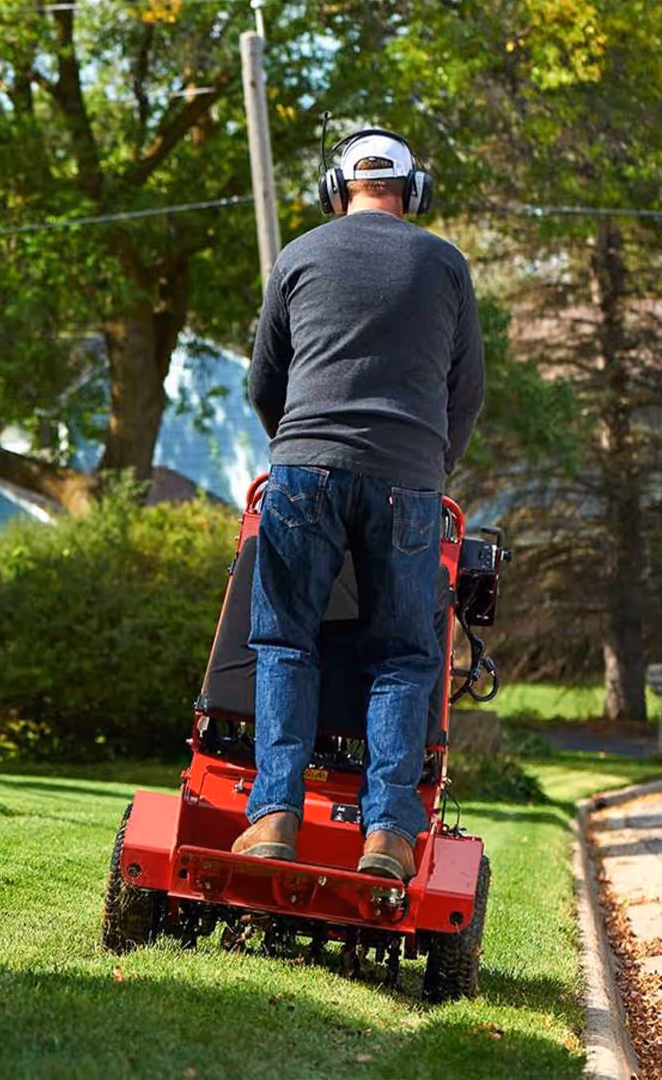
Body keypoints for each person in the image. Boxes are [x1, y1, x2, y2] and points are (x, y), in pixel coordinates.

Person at [230, 129, 485, 881]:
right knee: (405, 655)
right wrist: (429, 467)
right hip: (408, 479)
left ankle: (274, 815)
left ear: (335, 188)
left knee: (283, 642)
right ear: (416, 190)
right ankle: (389, 838)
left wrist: (302, 451)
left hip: (304, 467)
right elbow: (466, 392)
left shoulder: (299, 255)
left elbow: (263, 382)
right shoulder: (445, 264)